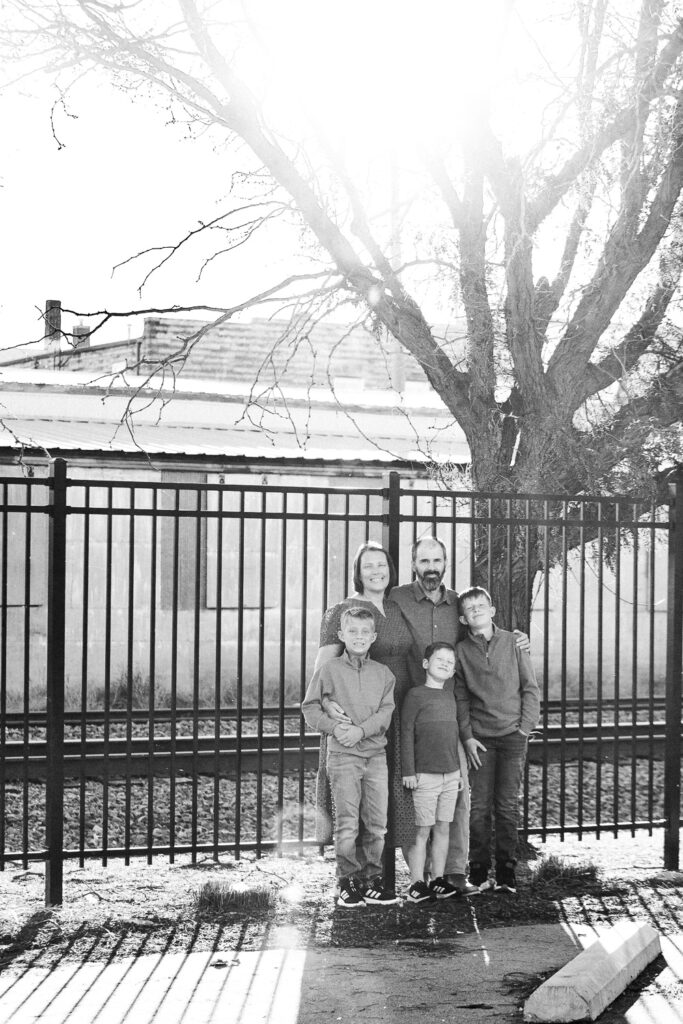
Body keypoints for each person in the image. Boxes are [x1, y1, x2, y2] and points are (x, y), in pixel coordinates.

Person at [302, 605, 399, 908]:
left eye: (365, 632)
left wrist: (361, 731)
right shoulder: (329, 670)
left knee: (377, 824)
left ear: (374, 637)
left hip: (375, 756)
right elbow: (309, 708)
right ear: (341, 635)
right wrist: (334, 728)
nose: (359, 636)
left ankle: (372, 880)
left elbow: (386, 712)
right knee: (347, 824)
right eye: (352, 631)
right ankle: (347, 881)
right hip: (343, 756)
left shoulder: (383, 673)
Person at [454, 586, 540, 895]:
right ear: (463, 619)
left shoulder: (514, 643)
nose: (476, 610)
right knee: (478, 806)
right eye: (469, 608)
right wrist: (467, 736)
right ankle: (477, 871)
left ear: (492, 611)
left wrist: (524, 729)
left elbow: (530, 688)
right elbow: (461, 698)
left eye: (481, 605)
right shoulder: (461, 651)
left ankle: (506, 871)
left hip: (512, 736)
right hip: (480, 740)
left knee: (506, 805)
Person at [401, 641, 463, 903]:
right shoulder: (415, 695)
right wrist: (408, 770)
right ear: (426, 664)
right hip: (424, 775)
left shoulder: (450, 696)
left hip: (450, 774)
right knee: (421, 830)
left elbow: (452, 737)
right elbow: (405, 732)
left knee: (443, 827)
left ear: (453, 670)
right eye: (440, 660)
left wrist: (458, 773)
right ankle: (416, 882)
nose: (445, 665)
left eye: (450, 662)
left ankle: (437, 879)